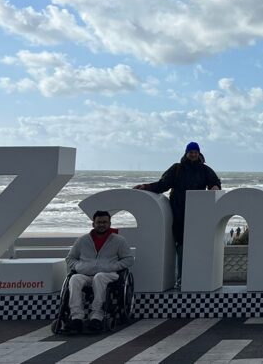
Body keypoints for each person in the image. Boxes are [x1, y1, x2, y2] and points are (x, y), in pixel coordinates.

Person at [133, 141, 221, 289]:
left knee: (196, 246)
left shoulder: (205, 170)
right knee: (180, 245)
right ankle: (180, 278)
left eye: (195, 152)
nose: (193, 154)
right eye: (191, 152)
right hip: (178, 212)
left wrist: (215, 187)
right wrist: (146, 187)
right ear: (186, 153)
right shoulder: (177, 169)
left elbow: (215, 182)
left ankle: (195, 278)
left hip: (198, 214)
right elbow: (163, 184)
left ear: (199, 153)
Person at [65, 211, 134, 332]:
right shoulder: (82, 240)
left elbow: (128, 259)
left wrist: (113, 266)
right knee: (74, 279)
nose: (101, 225)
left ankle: (96, 316)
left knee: (99, 277)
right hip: (86, 273)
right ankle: (76, 317)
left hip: (108, 274)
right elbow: (70, 259)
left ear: (109, 224)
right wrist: (79, 266)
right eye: (99, 222)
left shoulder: (119, 240)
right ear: (93, 224)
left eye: (104, 222)